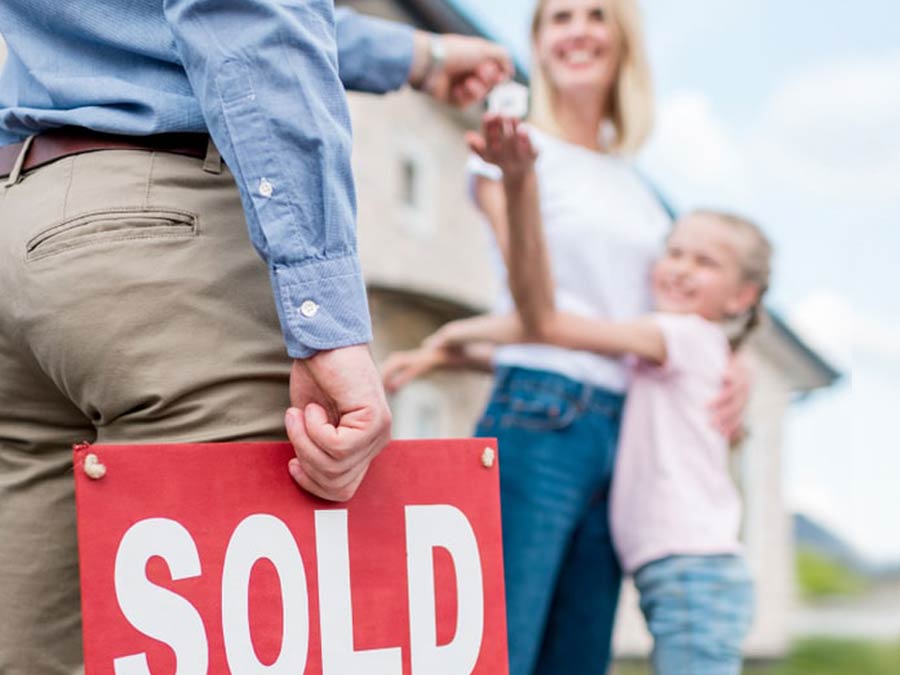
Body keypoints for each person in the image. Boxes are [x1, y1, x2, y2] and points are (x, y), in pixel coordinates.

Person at [0, 0, 511, 671]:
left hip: (26, 224)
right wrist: (324, 322)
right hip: (170, 245)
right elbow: (244, 13)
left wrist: (423, 58)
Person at [381, 1, 749, 673]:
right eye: (559, 17)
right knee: (499, 654)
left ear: (622, 41)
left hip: (624, 437)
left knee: (577, 660)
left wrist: (734, 358)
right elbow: (537, 309)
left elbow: (655, 320)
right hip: (540, 413)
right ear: (540, 44)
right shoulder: (510, 151)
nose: (577, 30)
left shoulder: (638, 190)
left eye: (596, 14)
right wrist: (521, 184)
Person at [392, 201, 767, 675]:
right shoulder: (668, 351)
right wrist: (454, 359)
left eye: (706, 262)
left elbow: (558, 331)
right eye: (675, 253)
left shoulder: (682, 336)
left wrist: (451, 334)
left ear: (741, 297)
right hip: (688, 575)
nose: (682, 269)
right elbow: (570, 361)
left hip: (694, 574)